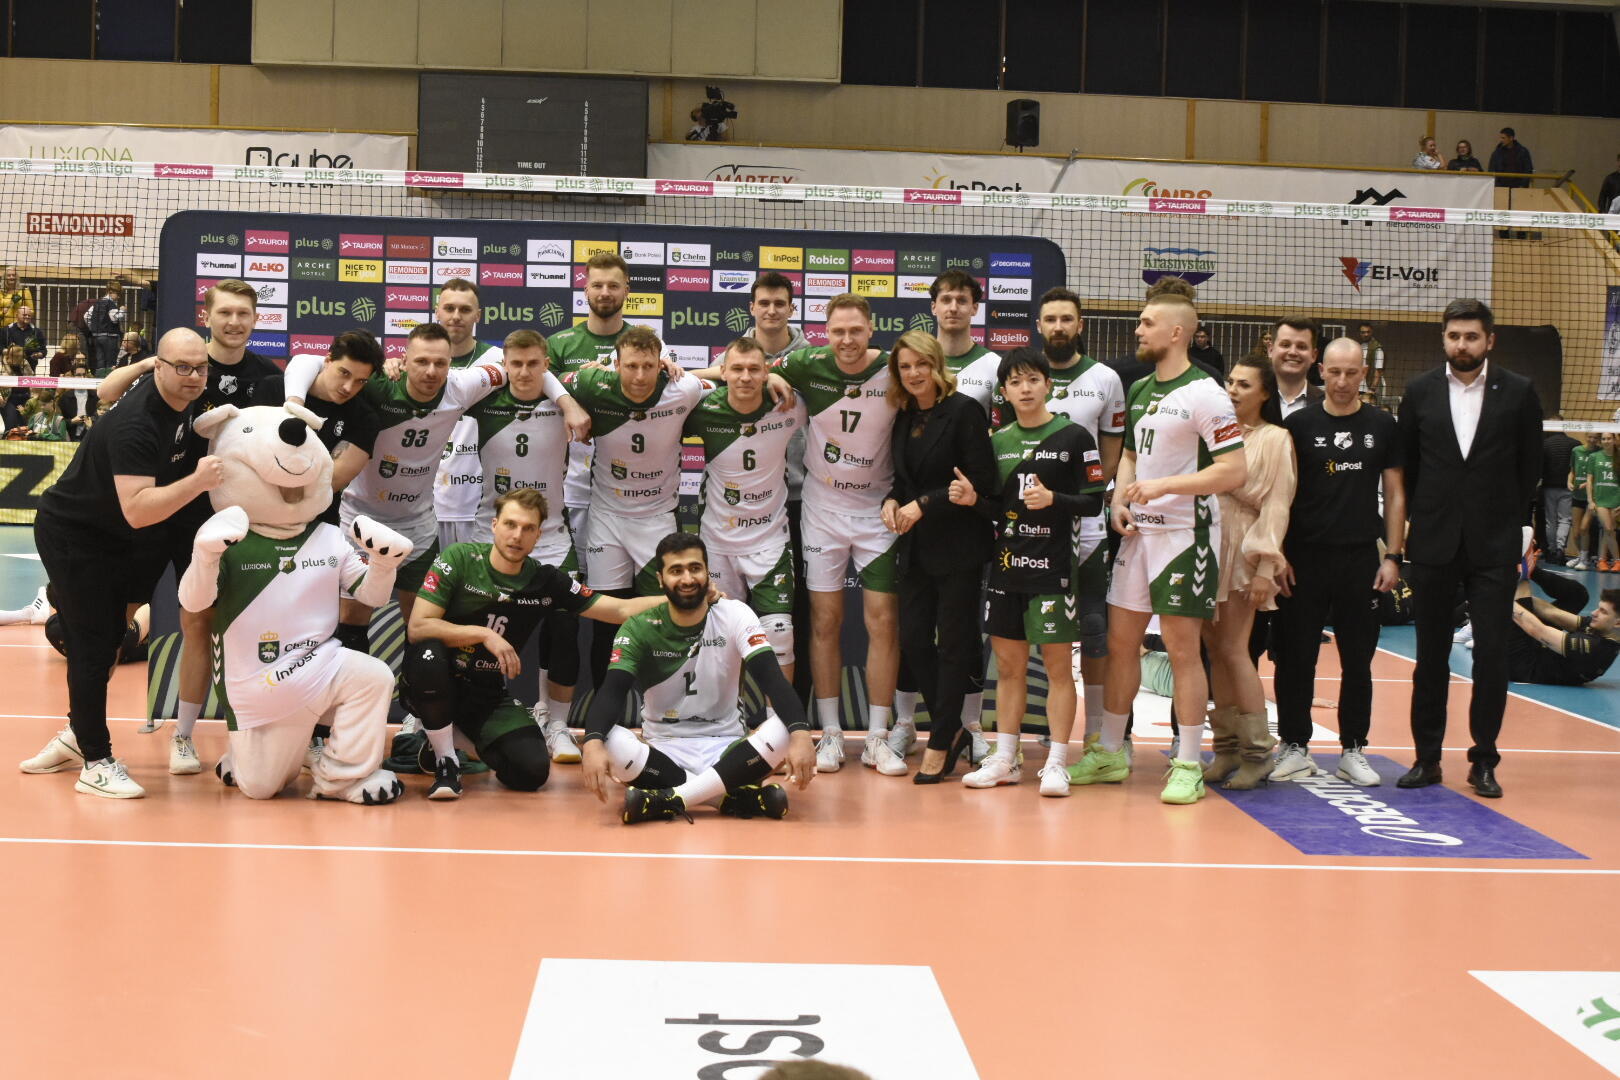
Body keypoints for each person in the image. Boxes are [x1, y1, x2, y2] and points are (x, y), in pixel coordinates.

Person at [19, 328, 220, 798]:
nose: (194, 377)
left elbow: (109, 389)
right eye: (182, 367)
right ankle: (96, 762)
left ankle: (76, 738)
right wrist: (198, 480)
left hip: (114, 538)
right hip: (75, 536)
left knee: (111, 639)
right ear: (161, 367)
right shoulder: (137, 424)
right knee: (91, 646)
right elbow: (139, 509)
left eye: (200, 368)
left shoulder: (176, 398)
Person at [1068, 277, 1247, 805]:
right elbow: (1127, 455)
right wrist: (1119, 500)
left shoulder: (1206, 391)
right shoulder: (1142, 388)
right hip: (1139, 534)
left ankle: (1188, 763)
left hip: (1185, 536)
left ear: (1176, 332)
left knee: (1182, 649)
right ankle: (1110, 752)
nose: (1138, 330)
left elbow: (1234, 470)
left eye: (1147, 323)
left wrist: (1164, 486)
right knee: (1121, 643)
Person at [401, 488, 674, 799]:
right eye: (510, 524)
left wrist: (682, 599)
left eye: (528, 528)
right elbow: (418, 627)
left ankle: (442, 740)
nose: (517, 536)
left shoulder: (545, 580)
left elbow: (619, 610)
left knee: (531, 770)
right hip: (434, 680)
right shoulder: (460, 558)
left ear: (538, 536)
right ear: (494, 525)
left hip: (485, 693)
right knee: (428, 654)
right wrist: (485, 634)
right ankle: (446, 762)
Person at [1398, 298, 1542, 799]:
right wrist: (1429, 515)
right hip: (1434, 542)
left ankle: (1484, 761)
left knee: (1492, 657)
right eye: (1454, 336)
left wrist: (1503, 520)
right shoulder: (1419, 391)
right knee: (1430, 658)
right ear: (1443, 339)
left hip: (1492, 545)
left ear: (1490, 340)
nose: (1462, 345)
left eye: (1472, 336)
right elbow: (1410, 467)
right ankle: (1427, 759)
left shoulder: (1519, 392)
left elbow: (1529, 467)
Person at [581, 532, 818, 824]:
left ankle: (670, 798)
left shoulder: (735, 614)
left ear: (708, 572)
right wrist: (591, 743)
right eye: (676, 570)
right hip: (663, 750)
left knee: (788, 726)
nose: (687, 578)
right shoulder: (639, 627)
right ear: (660, 579)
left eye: (695, 568)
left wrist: (801, 734)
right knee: (606, 738)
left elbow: (772, 679)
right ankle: (729, 797)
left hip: (728, 748)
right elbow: (612, 692)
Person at [955, 347, 1103, 796]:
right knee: (1008, 666)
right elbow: (999, 508)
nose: (1025, 389)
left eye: (1032, 380)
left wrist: (1054, 500)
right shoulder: (997, 441)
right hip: (1006, 569)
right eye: (1015, 382)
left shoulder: (1074, 436)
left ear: (1047, 386)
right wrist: (973, 502)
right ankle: (1005, 759)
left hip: (1054, 569)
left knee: (1058, 668)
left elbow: (1094, 501)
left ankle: (1057, 763)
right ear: (1003, 391)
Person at [770, 293, 901, 775]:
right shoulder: (807, 363)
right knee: (824, 621)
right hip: (822, 508)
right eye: (838, 332)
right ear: (824, 334)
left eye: (855, 331)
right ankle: (829, 733)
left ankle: (878, 737)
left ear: (871, 330)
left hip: (877, 510)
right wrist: (773, 375)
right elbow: (749, 369)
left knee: (882, 621)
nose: (847, 340)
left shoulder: (894, 367)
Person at [992, 287, 1126, 756]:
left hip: (1082, 532)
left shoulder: (1105, 379)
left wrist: (1072, 497)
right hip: (1021, 547)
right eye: (1050, 319)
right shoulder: (1003, 433)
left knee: (1092, 630)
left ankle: (1098, 740)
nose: (1059, 326)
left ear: (1080, 324)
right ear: (1039, 325)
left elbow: (1109, 456)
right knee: (1014, 652)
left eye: (1067, 319)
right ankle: (1007, 751)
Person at [1269, 339, 1405, 787]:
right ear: (1321, 371)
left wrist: (1394, 555)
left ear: (1363, 374)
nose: (1343, 381)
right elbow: (1282, 494)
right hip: (1303, 559)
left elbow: (1395, 493)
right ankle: (1294, 745)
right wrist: (1279, 553)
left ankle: (1353, 749)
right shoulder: (1298, 425)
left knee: (1358, 661)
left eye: (1351, 373)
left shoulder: (1382, 425)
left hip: (1360, 559)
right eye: (1335, 372)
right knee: (1296, 659)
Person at [880, 331, 996, 784]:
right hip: (915, 546)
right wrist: (892, 500)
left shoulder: (964, 411)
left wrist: (923, 505)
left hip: (959, 545)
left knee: (954, 644)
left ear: (936, 366)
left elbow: (979, 480)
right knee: (912, 640)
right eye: (905, 366)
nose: (914, 373)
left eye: (921, 364)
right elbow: (903, 481)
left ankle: (941, 738)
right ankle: (952, 730)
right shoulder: (904, 415)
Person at [564, 324, 708, 685]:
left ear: (661, 364)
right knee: (604, 624)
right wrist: (570, 401)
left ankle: (658, 711)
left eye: (648, 366)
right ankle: (605, 710)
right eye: (630, 366)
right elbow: (550, 380)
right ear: (616, 365)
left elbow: (732, 378)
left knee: (664, 621)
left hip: (658, 520)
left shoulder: (683, 388)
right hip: (607, 519)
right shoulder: (593, 383)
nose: (640, 376)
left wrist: (771, 376)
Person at [466, 330, 586, 763]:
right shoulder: (483, 398)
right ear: (504, 364)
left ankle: (555, 723)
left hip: (550, 536)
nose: (523, 372)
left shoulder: (566, 396)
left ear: (547, 365)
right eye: (515, 363)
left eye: (533, 364)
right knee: (472, 627)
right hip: (491, 533)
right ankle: (468, 715)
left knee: (565, 625)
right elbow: (435, 384)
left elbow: (633, 379)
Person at [1199, 354, 1296, 790]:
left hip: (1243, 550)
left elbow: (1277, 504)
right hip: (1205, 546)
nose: (1233, 390)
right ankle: (1226, 749)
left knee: (1236, 649)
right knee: (1214, 650)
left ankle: (1258, 753)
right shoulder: (1213, 432)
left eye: (1244, 384)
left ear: (1265, 394)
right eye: (1230, 382)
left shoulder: (1277, 439)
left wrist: (1265, 567)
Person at [687, 336, 805, 689]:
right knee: (721, 640)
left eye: (755, 369)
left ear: (766, 371)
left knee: (780, 636)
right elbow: (664, 390)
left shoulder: (789, 404)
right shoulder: (703, 408)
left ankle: (780, 718)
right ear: (723, 372)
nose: (745, 377)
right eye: (737, 369)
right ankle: (728, 717)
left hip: (769, 541)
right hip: (717, 543)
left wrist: (775, 378)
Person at [547, 251, 632, 566]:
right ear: (585, 290)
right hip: (570, 480)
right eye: (597, 285)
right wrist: (571, 400)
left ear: (627, 290)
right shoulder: (560, 343)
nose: (605, 293)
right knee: (571, 574)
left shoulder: (643, 343)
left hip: (628, 482)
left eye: (613, 285)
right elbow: (538, 382)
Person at [257, 330, 382, 529]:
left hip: (317, 526)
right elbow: (249, 451)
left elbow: (329, 483)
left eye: (360, 381)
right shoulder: (273, 389)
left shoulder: (365, 418)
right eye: (344, 373)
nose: (348, 387)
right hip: (256, 516)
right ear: (328, 360)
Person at [430, 278, 503, 549]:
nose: (456, 316)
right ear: (437, 311)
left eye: (465, 309)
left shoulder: (499, 360)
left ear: (478, 315)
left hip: (479, 506)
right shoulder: (419, 362)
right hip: (426, 506)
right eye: (449, 308)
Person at [1508, 565, 1619, 685]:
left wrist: (1507, 597)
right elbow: (1551, 612)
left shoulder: (1596, 648)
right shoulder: (1603, 628)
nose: (1594, 613)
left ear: (1618, 623)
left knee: (1522, 584)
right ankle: (1532, 568)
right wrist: (1529, 570)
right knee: (1577, 595)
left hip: (1522, 665)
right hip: (1537, 651)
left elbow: (1538, 630)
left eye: (1603, 612)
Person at [930, 269, 1000, 408]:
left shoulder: (995, 366)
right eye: (946, 300)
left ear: (974, 308)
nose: (953, 308)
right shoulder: (916, 362)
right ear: (934, 307)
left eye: (962, 301)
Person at [1539, 416, 1580, 564]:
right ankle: (1560, 549)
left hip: (1549, 487)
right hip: (1567, 488)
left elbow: (1539, 466)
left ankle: (1551, 550)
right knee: (1565, 520)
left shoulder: (1544, 444)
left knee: (1550, 520)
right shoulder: (1575, 444)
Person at [1271, 317, 1324, 418]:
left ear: (1313, 355)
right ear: (1271, 350)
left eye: (1301, 347)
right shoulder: (1252, 399)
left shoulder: (1326, 404)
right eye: (1285, 345)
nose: (1293, 352)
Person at [1588, 431, 1620, 571]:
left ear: (1614, 440)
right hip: (1600, 499)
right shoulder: (1594, 457)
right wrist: (1590, 500)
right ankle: (1618, 561)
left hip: (1616, 498)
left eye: (1609, 438)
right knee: (1608, 528)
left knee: (1609, 531)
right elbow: (1590, 480)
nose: (1606, 441)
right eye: (1604, 439)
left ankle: (1602, 561)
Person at [1568, 433, 1600, 570]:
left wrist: (1588, 484)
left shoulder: (1600, 453)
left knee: (1584, 528)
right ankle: (1581, 556)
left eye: (1595, 438)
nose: (1592, 440)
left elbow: (1598, 476)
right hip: (1577, 495)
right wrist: (1569, 481)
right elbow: (1572, 471)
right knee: (1575, 533)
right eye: (1590, 437)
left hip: (1592, 497)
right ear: (1586, 436)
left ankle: (1584, 560)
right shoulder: (1576, 450)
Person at [87, 279, 125, 372]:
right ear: (111, 292)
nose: (119, 297)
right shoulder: (111, 304)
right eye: (118, 294)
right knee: (110, 362)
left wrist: (94, 328)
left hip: (96, 336)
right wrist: (122, 310)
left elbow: (86, 316)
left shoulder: (97, 303)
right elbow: (115, 318)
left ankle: (100, 378)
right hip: (110, 336)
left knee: (100, 362)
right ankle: (109, 378)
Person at [59, 362, 99, 440]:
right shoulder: (65, 397)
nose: (82, 378)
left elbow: (101, 417)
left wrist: (91, 421)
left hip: (90, 436)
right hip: (70, 437)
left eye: (84, 375)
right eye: (78, 375)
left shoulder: (95, 396)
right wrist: (71, 421)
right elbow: (58, 422)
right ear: (73, 377)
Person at [1355, 323, 1385, 399]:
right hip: (1356, 387)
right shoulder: (1358, 346)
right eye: (1363, 332)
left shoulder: (1377, 348)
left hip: (1367, 389)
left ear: (1372, 332)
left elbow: (1378, 370)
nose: (1366, 334)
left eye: (1368, 332)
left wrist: (1372, 389)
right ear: (1359, 333)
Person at [1596, 152, 1620, 218]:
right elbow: (1602, 197)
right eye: (1619, 161)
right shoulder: (1610, 178)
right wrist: (1603, 212)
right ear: (1617, 162)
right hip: (1613, 215)